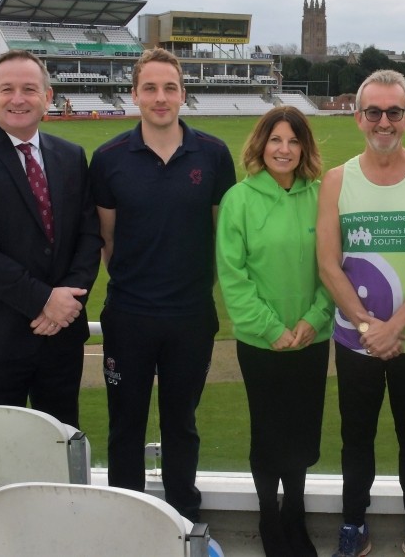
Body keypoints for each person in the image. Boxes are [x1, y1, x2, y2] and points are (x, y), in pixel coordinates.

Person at [89, 47, 236, 521]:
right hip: (129, 317)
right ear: (134, 95)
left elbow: (221, 236)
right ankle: (127, 522)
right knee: (124, 426)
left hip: (191, 317)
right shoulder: (109, 158)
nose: (160, 97)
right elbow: (107, 238)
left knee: (182, 424)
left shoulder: (213, 155)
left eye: (169, 87)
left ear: (183, 94)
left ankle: (183, 519)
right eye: (149, 88)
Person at [316, 70, 405, 557]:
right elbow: (328, 264)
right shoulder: (337, 180)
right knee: (357, 438)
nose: (383, 121)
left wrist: (394, 327)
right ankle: (354, 523)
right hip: (357, 342)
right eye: (373, 111)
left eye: (393, 112)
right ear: (358, 119)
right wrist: (367, 325)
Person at [0, 49, 101, 428]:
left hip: (61, 337)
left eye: (29, 89)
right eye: (7, 89)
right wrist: (44, 300)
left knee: (60, 446)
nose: (18, 99)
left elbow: (89, 235)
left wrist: (68, 299)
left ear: (48, 96)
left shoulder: (71, 156)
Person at [216, 107, 333, 557]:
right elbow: (233, 276)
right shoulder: (239, 200)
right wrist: (272, 329)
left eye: (293, 140)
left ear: (304, 147)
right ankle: (269, 516)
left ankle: (295, 516)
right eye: (275, 140)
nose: (284, 149)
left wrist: (313, 320)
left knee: (302, 433)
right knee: (268, 433)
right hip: (261, 343)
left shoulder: (322, 196)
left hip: (311, 339)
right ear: (261, 145)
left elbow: (333, 269)